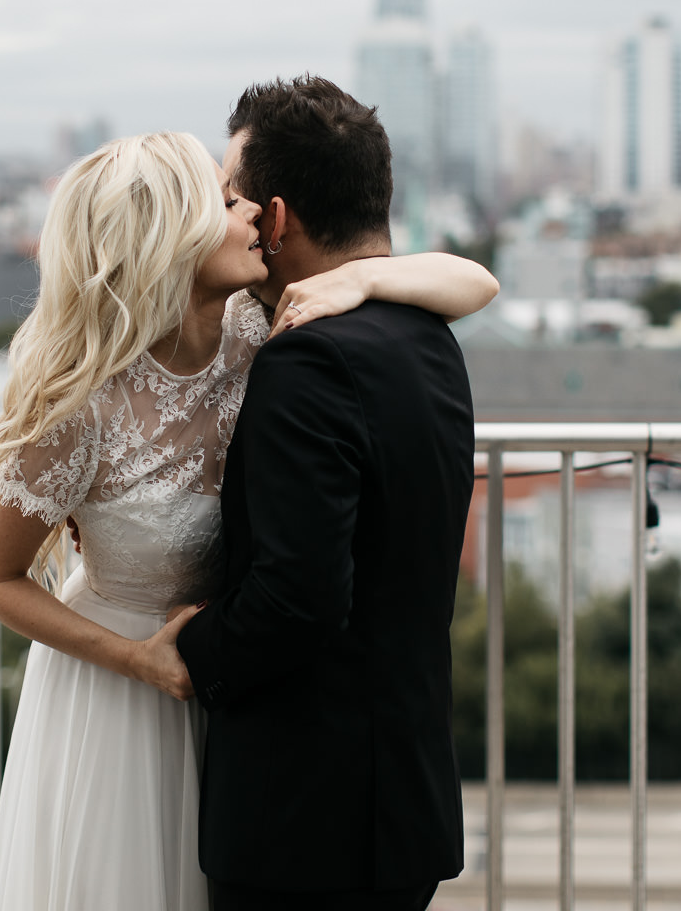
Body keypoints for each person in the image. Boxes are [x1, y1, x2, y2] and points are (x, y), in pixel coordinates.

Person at [0, 125, 496, 911]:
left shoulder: (259, 327)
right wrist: (141, 660)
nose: (252, 216)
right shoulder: (81, 405)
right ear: (165, 239)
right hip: (127, 691)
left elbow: (474, 281)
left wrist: (361, 284)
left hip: (238, 684)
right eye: (223, 200)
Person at [170, 77, 477, 911]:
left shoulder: (306, 360)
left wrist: (189, 650)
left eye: (233, 198)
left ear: (273, 220)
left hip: (306, 825)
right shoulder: (426, 332)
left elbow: (300, 597)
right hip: (400, 801)